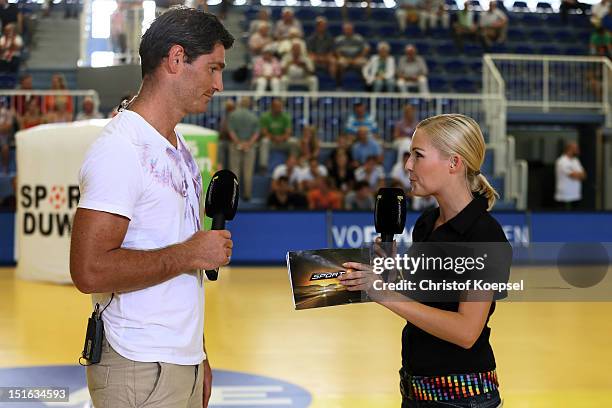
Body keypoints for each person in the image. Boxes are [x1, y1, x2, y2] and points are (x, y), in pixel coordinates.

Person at [69, 8, 234, 408]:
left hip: (179, 361)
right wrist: (192, 252)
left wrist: (199, 353)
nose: (219, 84)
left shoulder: (177, 150)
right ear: (176, 59)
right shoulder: (120, 150)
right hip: (138, 366)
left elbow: (181, 270)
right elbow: (89, 270)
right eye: (213, 68)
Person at [339, 113, 510, 408]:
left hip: (462, 399)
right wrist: (392, 274)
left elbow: (466, 332)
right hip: (416, 392)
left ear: (454, 163)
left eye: (418, 155)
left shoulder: (484, 235)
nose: (408, 165)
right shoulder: (427, 223)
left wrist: (383, 294)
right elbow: (426, 300)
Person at [227, 96, 259, 201]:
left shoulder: (233, 115)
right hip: (250, 146)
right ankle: (247, 195)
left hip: (235, 145)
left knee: (235, 170)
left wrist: (238, 143)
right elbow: (256, 133)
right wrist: (248, 144)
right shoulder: (254, 116)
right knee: (248, 171)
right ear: (249, 104)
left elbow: (231, 132)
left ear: (240, 103)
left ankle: (234, 195)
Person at [258, 98, 298, 172]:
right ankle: (263, 166)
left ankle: (294, 163)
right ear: (272, 107)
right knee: (264, 141)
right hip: (271, 141)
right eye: (277, 107)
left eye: (280, 107)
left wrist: (282, 138)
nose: (279, 108)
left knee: (294, 142)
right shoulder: (265, 116)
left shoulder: (286, 116)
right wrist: (273, 137)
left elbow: (288, 132)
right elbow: (264, 132)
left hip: (283, 141)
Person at [554, 141, 586, 210]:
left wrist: (578, 174)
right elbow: (573, 175)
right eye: (576, 148)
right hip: (565, 196)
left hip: (576, 195)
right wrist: (577, 174)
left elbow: (584, 175)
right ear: (570, 149)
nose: (578, 150)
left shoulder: (575, 160)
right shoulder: (562, 161)